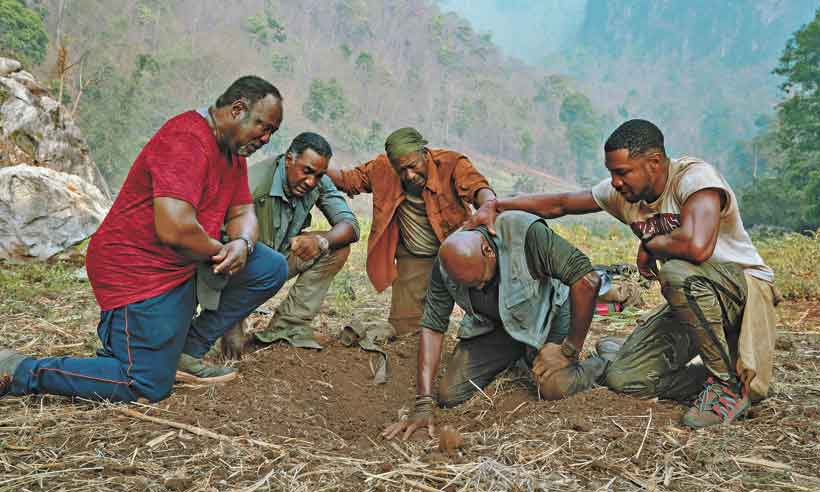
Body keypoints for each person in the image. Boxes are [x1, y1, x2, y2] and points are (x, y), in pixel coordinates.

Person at [466, 119, 778, 428]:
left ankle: (727, 387)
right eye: (611, 173)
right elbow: (561, 204)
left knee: (677, 275)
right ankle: (725, 380)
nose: (615, 181)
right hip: (694, 305)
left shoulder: (695, 179)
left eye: (622, 172)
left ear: (654, 162)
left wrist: (652, 245)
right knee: (625, 378)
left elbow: (698, 247)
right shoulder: (625, 194)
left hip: (742, 292)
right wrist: (498, 205)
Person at [0, 75, 289, 403]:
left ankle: (185, 352)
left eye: (272, 133)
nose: (266, 138)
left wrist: (243, 244)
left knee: (269, 266)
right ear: (238, 109)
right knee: (144, 384)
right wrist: (222, 250)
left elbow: (243, 213)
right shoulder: (186, 138)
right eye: (263, 127)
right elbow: (175, 229)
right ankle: (20, 369)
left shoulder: (234, 155)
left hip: (182, 266)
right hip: (136, 271)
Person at [383, 211, 608, 440]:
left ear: (488, 251)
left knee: (554, 388)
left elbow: (587, 281)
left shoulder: (525, 234)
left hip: (550, 318)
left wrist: (568, 349)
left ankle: (605, 361)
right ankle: (522, 355)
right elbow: (433, 326)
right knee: (450, 395)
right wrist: (423, 404)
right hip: (499, 327)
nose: (479, 289)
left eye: (480, 281)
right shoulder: (447, 263)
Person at [327, 127, 496, 336]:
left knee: (487, 315)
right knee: (404, 330)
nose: (409, 175)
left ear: (424, 153)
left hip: (457, 252)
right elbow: (348, 180)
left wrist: (488, 205)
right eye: (401, 170)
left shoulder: (451, 163)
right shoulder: (382, 168)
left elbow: (477, 187)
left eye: (413, 166)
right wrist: (317, 162)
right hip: (415, 257)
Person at [221, 132, 359, 353]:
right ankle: (230, 319)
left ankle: (286, 328)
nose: (311, 181)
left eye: (318, 175)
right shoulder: (253, 186)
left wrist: (320, 241)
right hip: (243, 268)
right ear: (288, 160)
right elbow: (222, 249)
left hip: (279, 258)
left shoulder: (317, 181)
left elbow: (350, 226)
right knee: (233, 349)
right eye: (307, 172)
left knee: (336, 247)